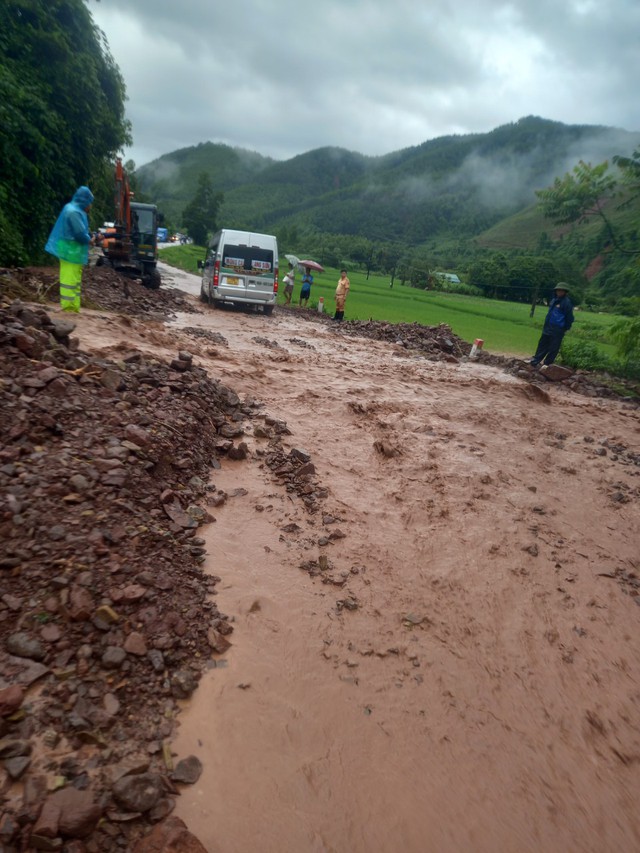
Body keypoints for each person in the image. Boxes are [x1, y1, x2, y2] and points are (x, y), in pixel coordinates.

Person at [45, 186, 95, 313]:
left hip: (72, 250)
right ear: (85, 201)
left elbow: (81, 231)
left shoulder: (73, 209)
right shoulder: (74, 212)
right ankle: (68, 309)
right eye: (90, 203)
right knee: (70, 280)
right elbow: (79, 233)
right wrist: (90, 240)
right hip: (70, 250)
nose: (90, 206)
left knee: (74, 280)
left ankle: (73, 308)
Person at [527, 282, 574, 368]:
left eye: (561, 291)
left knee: (553, 347)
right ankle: (536, 360)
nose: (559, 292)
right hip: (548, 326)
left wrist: (565, 327)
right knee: (542, 344)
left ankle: (547, 364)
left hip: (558, 329)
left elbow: (569, 318)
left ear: (565, 292)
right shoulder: (553, 300)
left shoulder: (566, 303)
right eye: (558, 290)